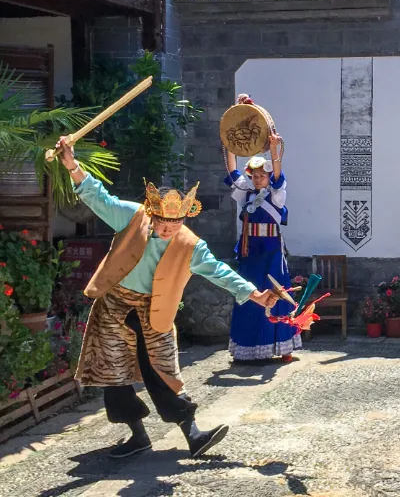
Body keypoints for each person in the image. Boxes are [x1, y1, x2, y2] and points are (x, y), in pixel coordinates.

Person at [55, 135, 279, 459]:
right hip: (115, 305)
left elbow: (218, 271)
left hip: (154, 310)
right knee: (113, 372)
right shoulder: (132, 217)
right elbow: (97, 197)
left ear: (183, 220)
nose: (167, 231)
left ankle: (193, 433)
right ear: (153, 213)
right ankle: (137, 435)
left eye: (175, 225)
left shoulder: (190, 245)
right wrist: (72, 166)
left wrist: (254, 294)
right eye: (162, 224)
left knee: (163, 369)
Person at [224, 129, 300, 362]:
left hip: (271, 252)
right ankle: (247, 349)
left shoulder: (276, 196)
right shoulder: (245, 195)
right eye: (254, 176)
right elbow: (233, 173)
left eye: (262, 176)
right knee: (247, 292)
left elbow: (278, 177)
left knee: (277, 294)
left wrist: (274, 149)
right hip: (249, 252)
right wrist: (229, 147)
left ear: (268, 177)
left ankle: (284, 347)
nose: (258, 179)